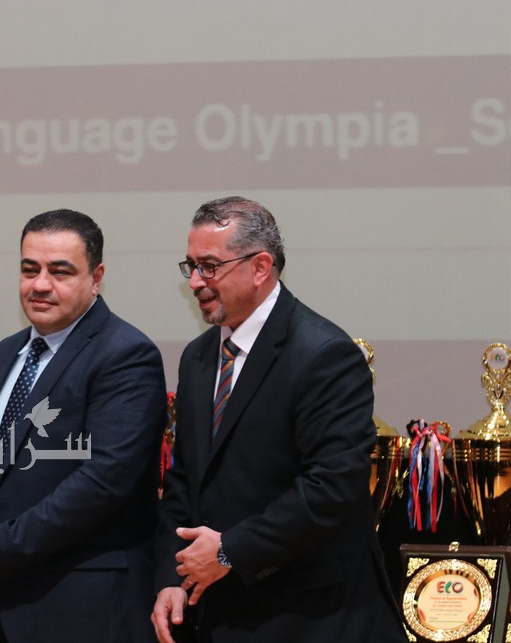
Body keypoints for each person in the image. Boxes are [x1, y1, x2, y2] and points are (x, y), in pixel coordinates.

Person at [153, 197, 406, 642]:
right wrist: (174, 577)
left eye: (209, 266)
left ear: (260, 267)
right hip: (221, 613)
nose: (195, 281)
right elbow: (185, 479)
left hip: (313, 616)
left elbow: (331, 488)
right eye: (190, 266)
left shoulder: (324, 354)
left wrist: (230, 551)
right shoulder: (198, 357)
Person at [0, 209, 168, 642]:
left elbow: (104, 481)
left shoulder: (126, 354)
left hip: (79, 605)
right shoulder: (7, 353)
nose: (40, 285)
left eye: (59, 272)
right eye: (30, 269)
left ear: (96, 277)